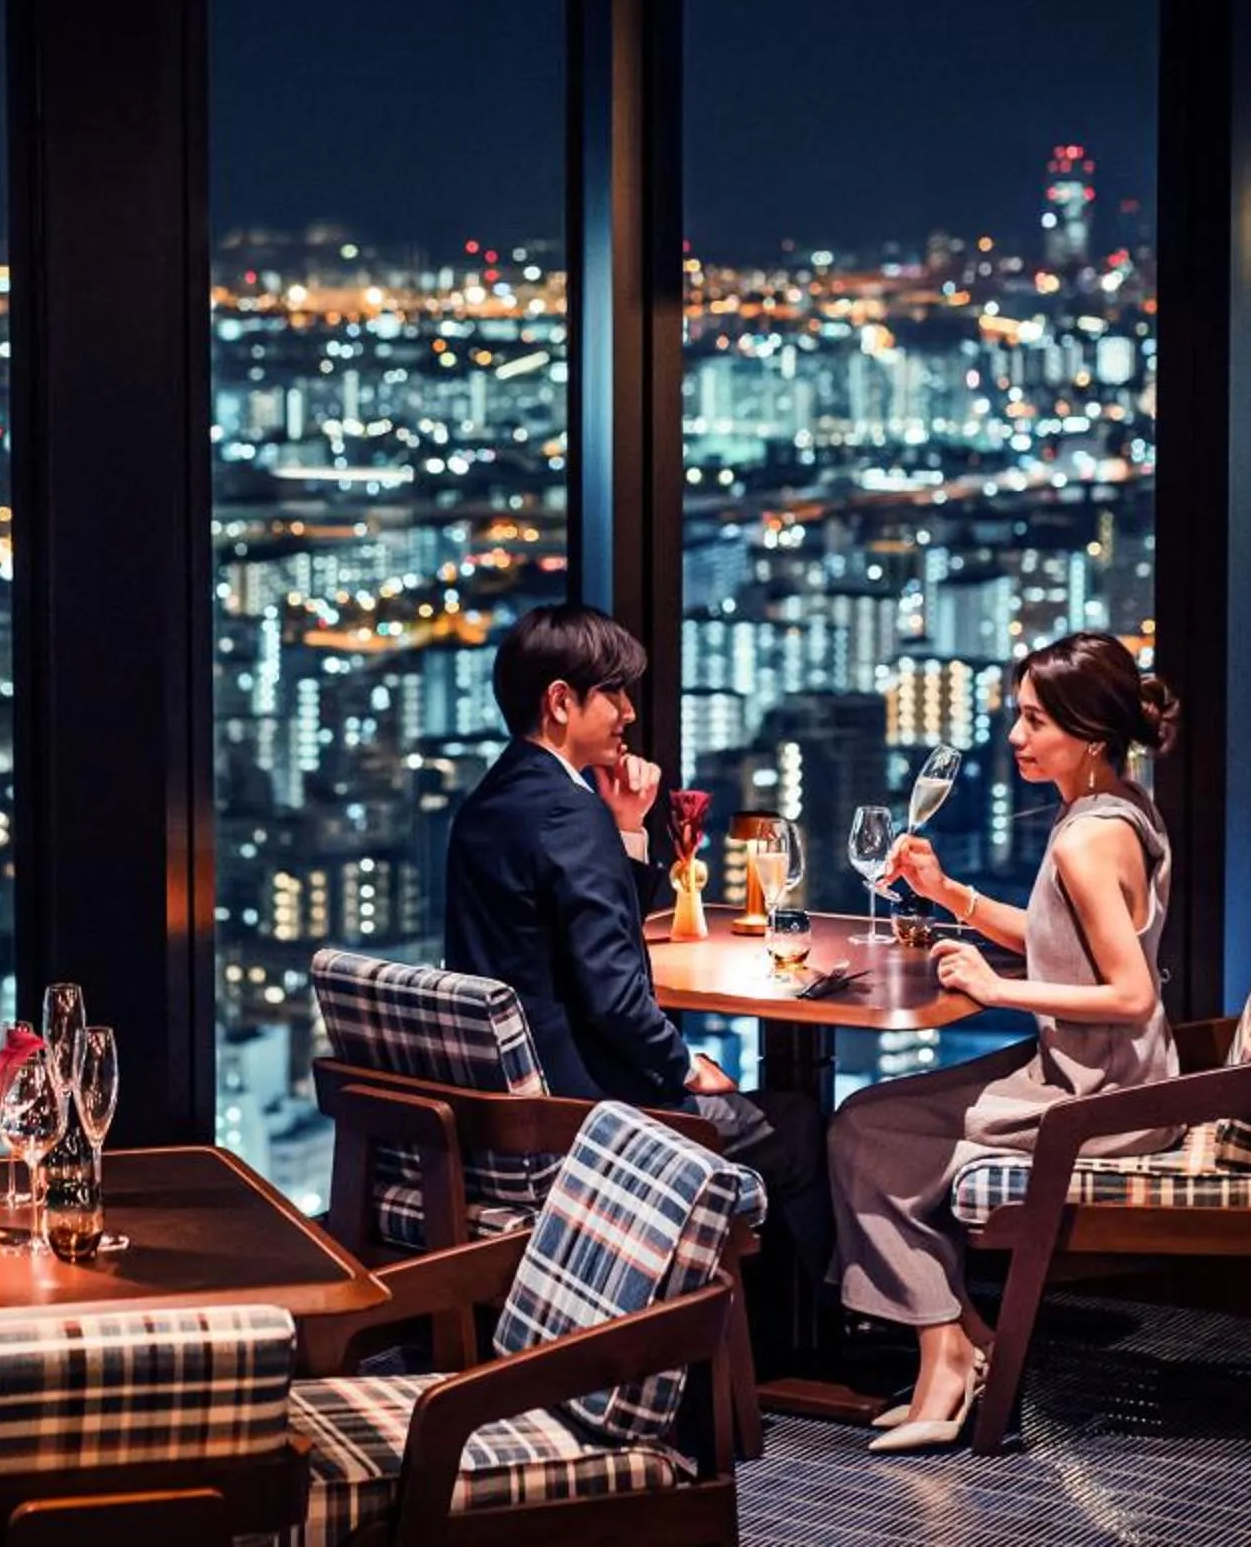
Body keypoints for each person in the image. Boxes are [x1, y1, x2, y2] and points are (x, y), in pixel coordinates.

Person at [826, 630, 1183, 1453]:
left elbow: (1128, 994)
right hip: (1094, 1069)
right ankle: (951, 1341)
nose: (1016, 738)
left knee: (865, 1132)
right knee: (874, 1122)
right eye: (1017, 717)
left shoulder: (1087, 838)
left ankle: (947, 1348)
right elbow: (1072, 944)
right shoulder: (1113, 807)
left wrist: (992, 988)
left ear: (1089, 731)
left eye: (1034, 721)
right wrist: (952, 895)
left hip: (1103, 1093)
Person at [445, 602, 830, 1276]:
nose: (628, 711)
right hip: (586, 1117)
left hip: (503, 1113)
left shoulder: (492, 799)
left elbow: (571, 928)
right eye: (614, 693)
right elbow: (614, 998)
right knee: (795, 1125)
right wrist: (682, 1067)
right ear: (561, 701)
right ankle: (811, 1347)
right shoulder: (569, 811)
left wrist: (624, 826)